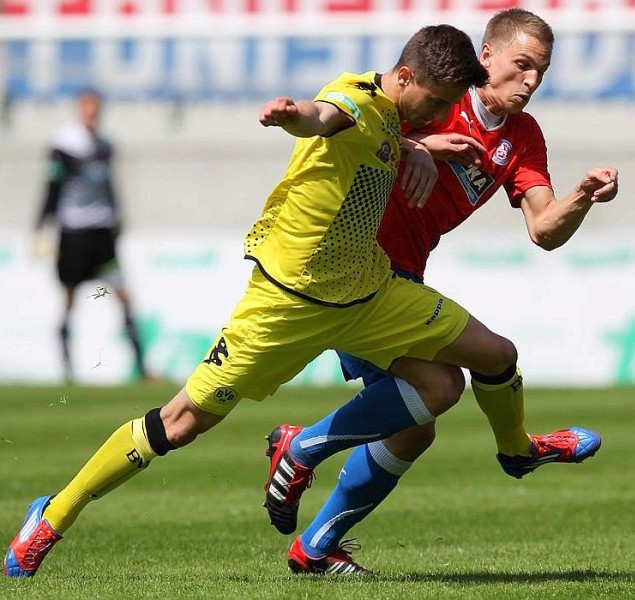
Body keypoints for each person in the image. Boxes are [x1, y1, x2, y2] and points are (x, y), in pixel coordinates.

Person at [3, 23, 492, 579]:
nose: (439, 114)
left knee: (454, 377)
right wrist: (292, 117)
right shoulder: (356, 97)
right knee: (182, 422)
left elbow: (377, 135)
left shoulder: (391, 117)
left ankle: (310, 452)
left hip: (367, 293)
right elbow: (326, 115)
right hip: (286, 302)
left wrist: (416, 145)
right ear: (405, 77)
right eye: (436, 102)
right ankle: (53, 513)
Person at [264, 9, 619, 575]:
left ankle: (315, 546)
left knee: (415, 429)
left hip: (402, 278)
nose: (530, 82)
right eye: (521, 65)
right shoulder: (438, 91)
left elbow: (544, 229)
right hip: (358, 270)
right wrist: (418, 145)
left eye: (541, 73)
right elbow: (362, 125)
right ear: (487, 57)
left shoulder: (523, 138)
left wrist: (580, 195)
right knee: (486, 360)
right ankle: (510, 450)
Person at [32, 88, 152, 383]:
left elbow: (109, 186)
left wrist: (117, 218)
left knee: (123, 295)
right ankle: (67, 369)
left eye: (96, 108)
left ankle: (142, 367)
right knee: (70, 298)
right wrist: (40, 227)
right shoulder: (63, 145)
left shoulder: (105, 146)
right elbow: (52, 188)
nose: (92, 113)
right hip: (73, 232)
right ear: (79, 109)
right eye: (87, 108)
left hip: (101, 232)